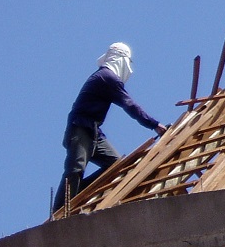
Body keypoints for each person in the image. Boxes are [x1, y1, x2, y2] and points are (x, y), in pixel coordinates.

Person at [53, 42, 167, 211]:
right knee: (75, 169)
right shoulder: (107, 77)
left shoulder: (106, 77)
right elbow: (130, 105)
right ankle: (61, 210)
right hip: (81, 127)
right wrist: (154, 124)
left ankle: (77, 195)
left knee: (116, 166)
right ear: (121, 60)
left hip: (93, 131)